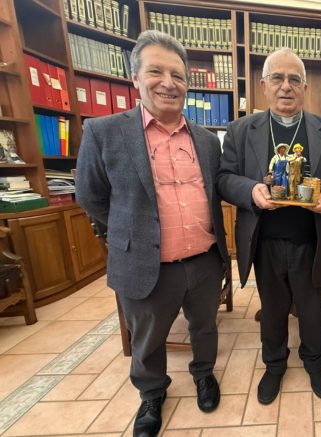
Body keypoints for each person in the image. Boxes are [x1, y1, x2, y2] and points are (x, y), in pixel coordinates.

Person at [75, 30, 230, 437]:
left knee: (205, 327)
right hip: (145, 263)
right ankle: (151, 394)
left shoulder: (207, 141)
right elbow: (90, 195)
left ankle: (204, 374)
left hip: (204, 261)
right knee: (147, 337)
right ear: (135, 79)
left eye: (177, 75)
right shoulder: (104, 132)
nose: (168, 83)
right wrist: (131, 233)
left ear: (187, 83)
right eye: (156, 71)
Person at [218, 48, 321, 405]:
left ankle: (314, 362)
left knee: (311, 308)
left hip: (311, 240)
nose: (286, 86)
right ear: (264, 85)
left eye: (294, 79)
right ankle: (275, 364)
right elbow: (224, 178)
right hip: (264, 240)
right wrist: (251, 190)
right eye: (277, 78)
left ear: (305, 88)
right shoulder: (240, 130)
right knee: (273, 309)